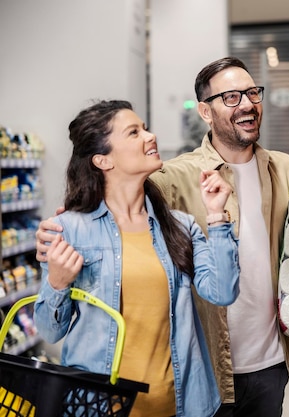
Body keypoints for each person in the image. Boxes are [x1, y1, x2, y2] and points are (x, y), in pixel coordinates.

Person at [36, 57, 289, 417]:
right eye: (232, 97)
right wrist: (60, 231)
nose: (247, 104)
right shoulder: (174, 177)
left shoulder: (283, 170)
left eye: (253, 93)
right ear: (206, 112)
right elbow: (113, 201)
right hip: (205, 368)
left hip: (270, 361)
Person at [33, 99, 240, 417]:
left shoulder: (180, 227)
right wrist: (57, 283)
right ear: (103, 160)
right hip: (98, 407)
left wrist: (217, 217)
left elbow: (222, 292)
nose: (150, 136)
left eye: (145, 128)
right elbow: (49, 331)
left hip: (179, 405)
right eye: (134, 132)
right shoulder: (67, 230)